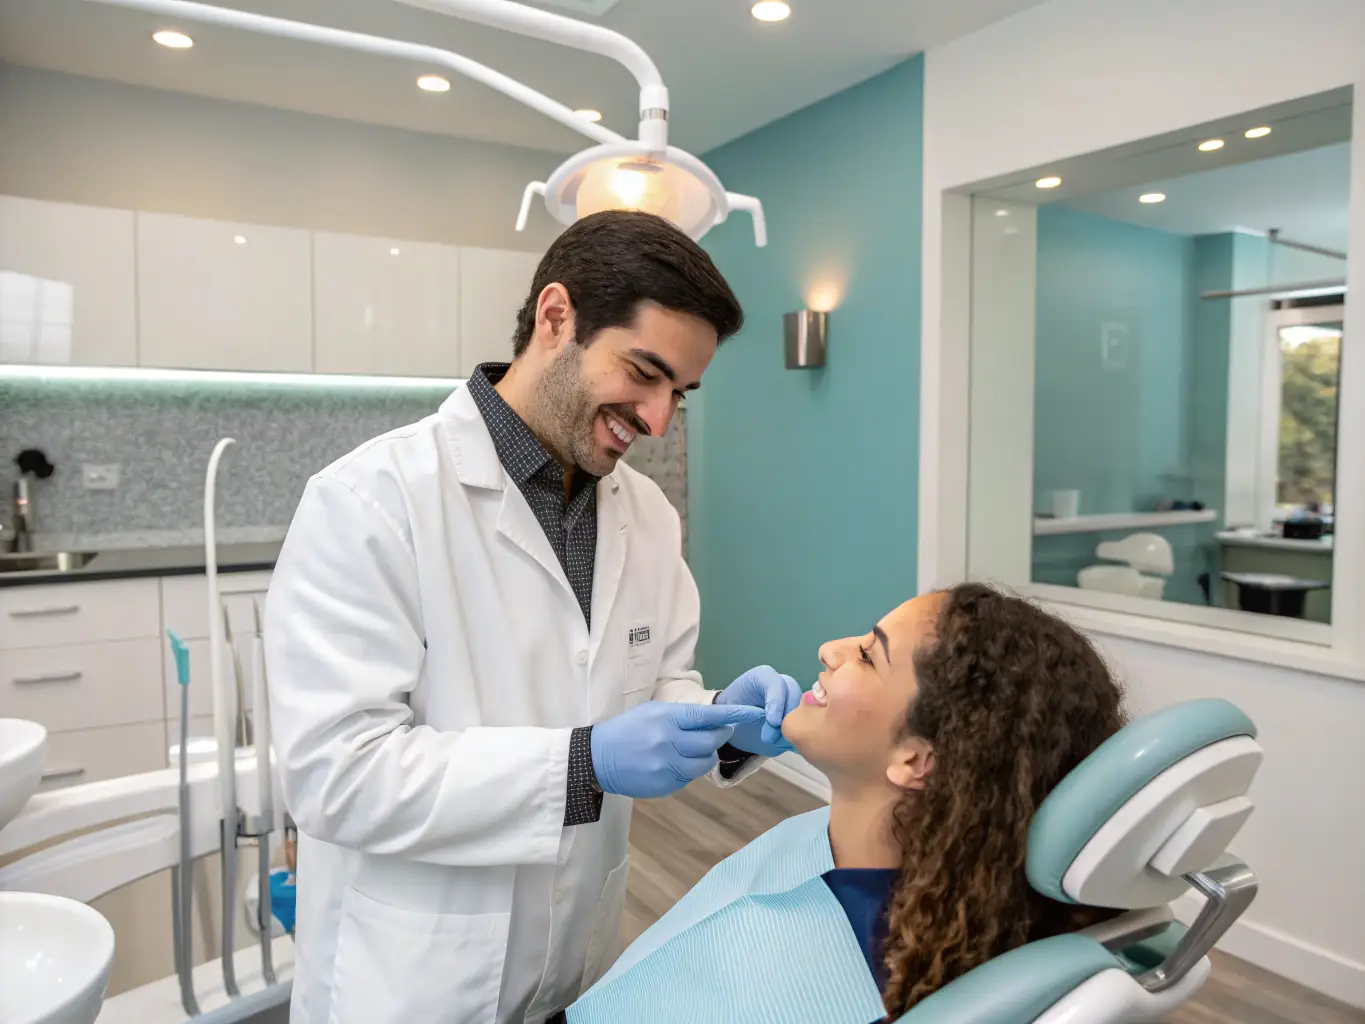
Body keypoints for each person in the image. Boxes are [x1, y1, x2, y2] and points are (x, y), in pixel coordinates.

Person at [264, 211, 803, 1024]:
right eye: (644, 372)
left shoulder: (647, 517)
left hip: (575, 971)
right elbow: (336, 775)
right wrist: (582, 765)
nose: (657, 421)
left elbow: (652, 685)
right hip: (410, 982)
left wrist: (718, 720)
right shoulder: (372, 501)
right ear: (557, 318)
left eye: (679, 395)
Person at [563, 583, 1126, 1024]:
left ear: (916, 760)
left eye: (868, 655)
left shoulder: (852, 985)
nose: (830, 650)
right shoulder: (828, 841)